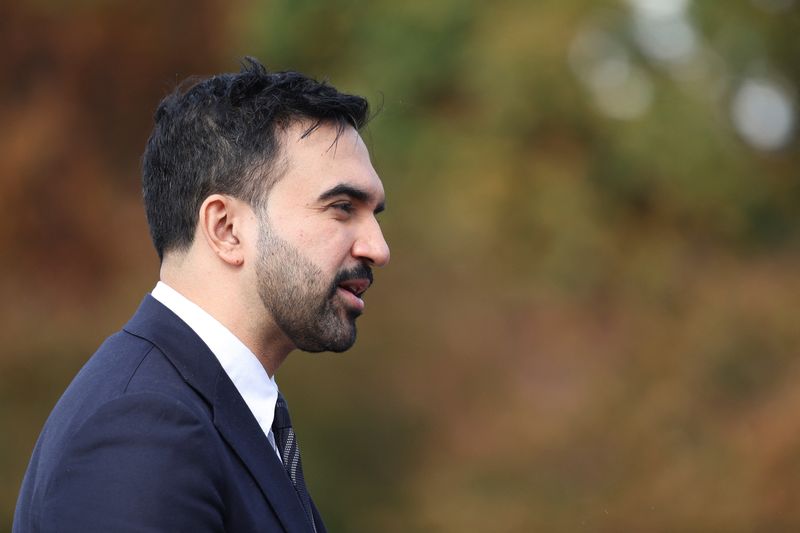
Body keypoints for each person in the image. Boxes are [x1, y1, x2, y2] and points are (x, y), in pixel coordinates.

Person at [13, 58, 390, 533]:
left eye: (374, 214)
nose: (378, 248)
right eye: (341, 207)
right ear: (226, 228)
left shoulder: (218, 410)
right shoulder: (144, 429)